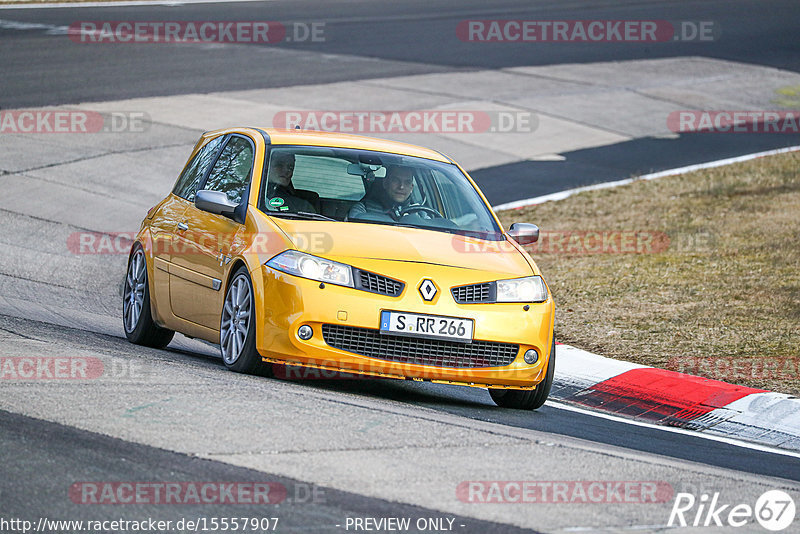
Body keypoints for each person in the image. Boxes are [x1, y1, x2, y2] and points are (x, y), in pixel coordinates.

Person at [348, 165, 417, 221]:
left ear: (411, 188)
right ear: (385, 183)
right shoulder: (363, 209)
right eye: (395, 180)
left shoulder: (420, 212)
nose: (401, 186)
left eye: (407, 182)